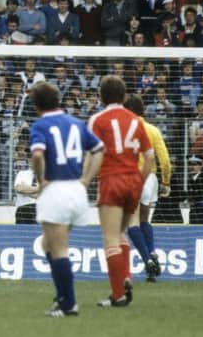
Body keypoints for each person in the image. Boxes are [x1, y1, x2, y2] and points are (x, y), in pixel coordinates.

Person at [29, 81, 103, 317]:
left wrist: (41, 179)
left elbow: (38, 154)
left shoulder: (41, 124)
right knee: (49, 245)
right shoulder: (76, 122)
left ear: (36, 104)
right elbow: (99, 149)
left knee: (58, 248)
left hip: (56, 189)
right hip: (77, 190)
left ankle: (68, 303)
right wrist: (86, 179)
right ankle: (62, 297)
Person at [88, 75, 154, 307]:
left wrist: (85, 180)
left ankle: (118, 294)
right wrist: (140, 180)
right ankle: (126, 280)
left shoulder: (98, 119)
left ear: (101, 96)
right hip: (132, 182)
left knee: (110, 237)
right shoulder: (136, 120)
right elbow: (149, 157)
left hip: (111, 180)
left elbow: (94, 153)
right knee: (122, 233)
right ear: (124, 96)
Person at [123, 94, 171, 282]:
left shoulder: (125, 131)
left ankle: (147, 260)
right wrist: (166, 182)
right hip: (151, 178)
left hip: (132, 177)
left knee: (132, 222)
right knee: (145, 218)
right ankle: (151, 252)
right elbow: (165, 161)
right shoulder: (153, 130)